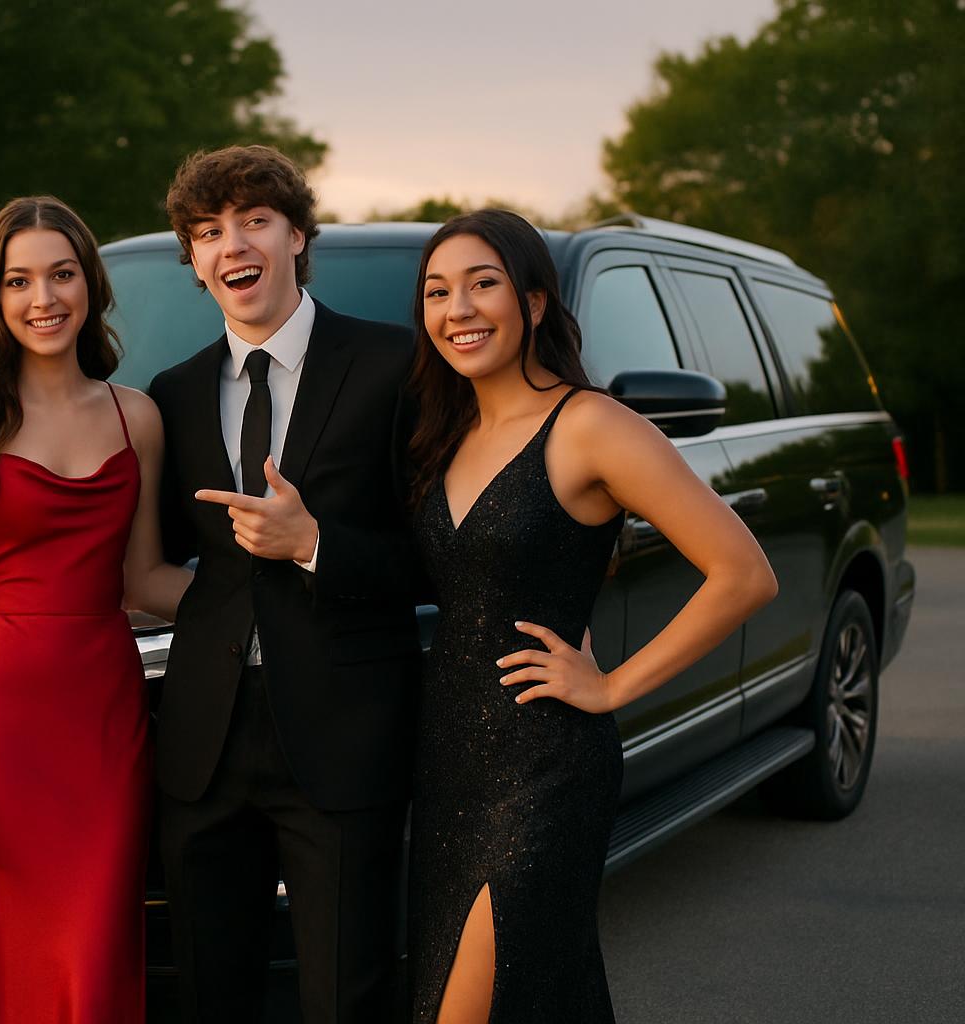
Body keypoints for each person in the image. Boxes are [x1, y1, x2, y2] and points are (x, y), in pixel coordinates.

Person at [405, 209, 778, 1023]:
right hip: (447, 770)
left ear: (534, 303)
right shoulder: (446, 434)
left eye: (482, 284)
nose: (457, 309)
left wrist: (612, 686)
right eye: (437, 291)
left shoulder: (590, 427)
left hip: (545, 770)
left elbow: (743, 573)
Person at [149, 145, 423, 1023]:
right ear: (193, 260)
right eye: (208, 231)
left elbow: (441, 554)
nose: (234, 244)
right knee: (210, 991)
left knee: (347, 993)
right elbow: (138, 558)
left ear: (297, 235)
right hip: (203, 742)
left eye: (255, 220)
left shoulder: (395, 367)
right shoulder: (174, 393)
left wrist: (314, 545)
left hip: (344, 739)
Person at [0, 195, 190, 1024]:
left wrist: (263, 585)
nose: (45, 298)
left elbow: (143, 582)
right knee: (5, 950)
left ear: (90, 286)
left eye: (62, 274)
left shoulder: (135, 416)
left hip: (103, 720)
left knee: (95, 944)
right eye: (20, 280)